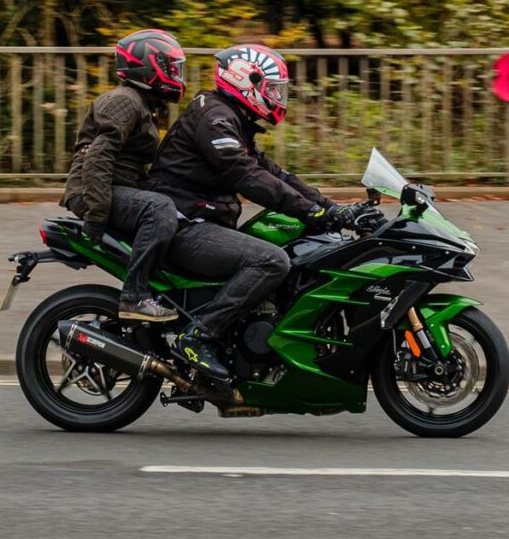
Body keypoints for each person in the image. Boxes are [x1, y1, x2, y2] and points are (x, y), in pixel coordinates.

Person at [148, 44, 356, 379]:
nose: (277, 96)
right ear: (246, 81)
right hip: (184, 225)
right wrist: (311, 213)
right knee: (271, 260)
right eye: (271, 88)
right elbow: (247, 176)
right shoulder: (215, 118)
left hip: (201, 221)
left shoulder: (231, 117)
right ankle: (198, 337)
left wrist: (331, 208)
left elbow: (273, 173)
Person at [60, 29, 187, 322]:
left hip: (113, 187)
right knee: (159, 209)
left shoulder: (141, 103)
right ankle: (135, 297)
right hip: (93, 193)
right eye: (171, 68)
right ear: (148, 65)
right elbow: (97, 157)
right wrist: (97, 212)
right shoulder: (124, 101)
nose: (177, 75)